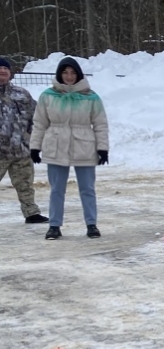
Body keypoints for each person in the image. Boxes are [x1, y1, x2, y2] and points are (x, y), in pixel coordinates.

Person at [29, 57, 109, 240]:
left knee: (87, 189)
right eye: (65, 72)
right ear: (59, 74)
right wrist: (35, 147)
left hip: (84, 147)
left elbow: (100, 124)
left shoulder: (91, 97)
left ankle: (91, 224)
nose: (69, 76)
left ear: (78, 74)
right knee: (57, 189)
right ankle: (54, 226)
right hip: (56, 146)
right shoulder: (48, 96)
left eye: (72, 72)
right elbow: (39, 123)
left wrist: (103, 148)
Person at [0, 57, 48, 224]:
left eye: (5, 68)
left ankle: (31, 213)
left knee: (26, 184)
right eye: (0, 68)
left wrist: (34, 140)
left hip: (20, 150)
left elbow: (35, 117)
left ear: (10, 72)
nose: (3, 71)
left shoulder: (21, 94)